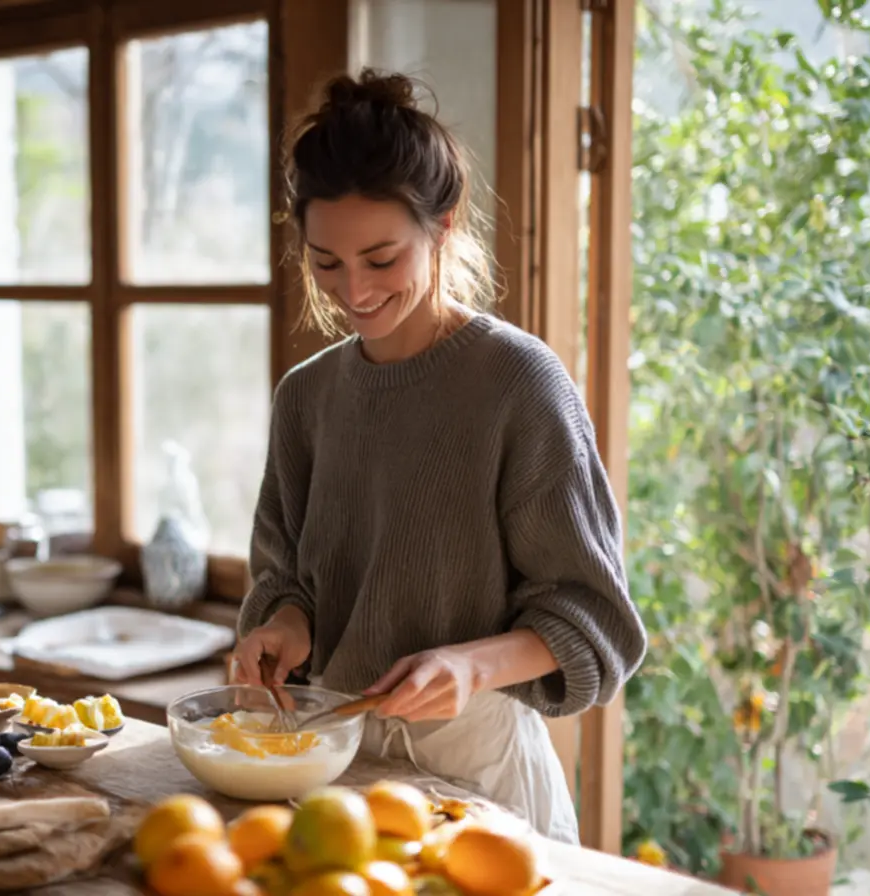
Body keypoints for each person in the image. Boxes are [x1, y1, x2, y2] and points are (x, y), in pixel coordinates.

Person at [231, 69, 647, 844]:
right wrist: (287, 626)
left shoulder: (517, 384)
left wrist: (472, 667)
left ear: (444, 227)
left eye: (382, 258)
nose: (353, 290)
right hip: (329, 769)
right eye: (326, 261)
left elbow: (594, 618)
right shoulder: (306, 397)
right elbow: (290, 579)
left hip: (482, 777)